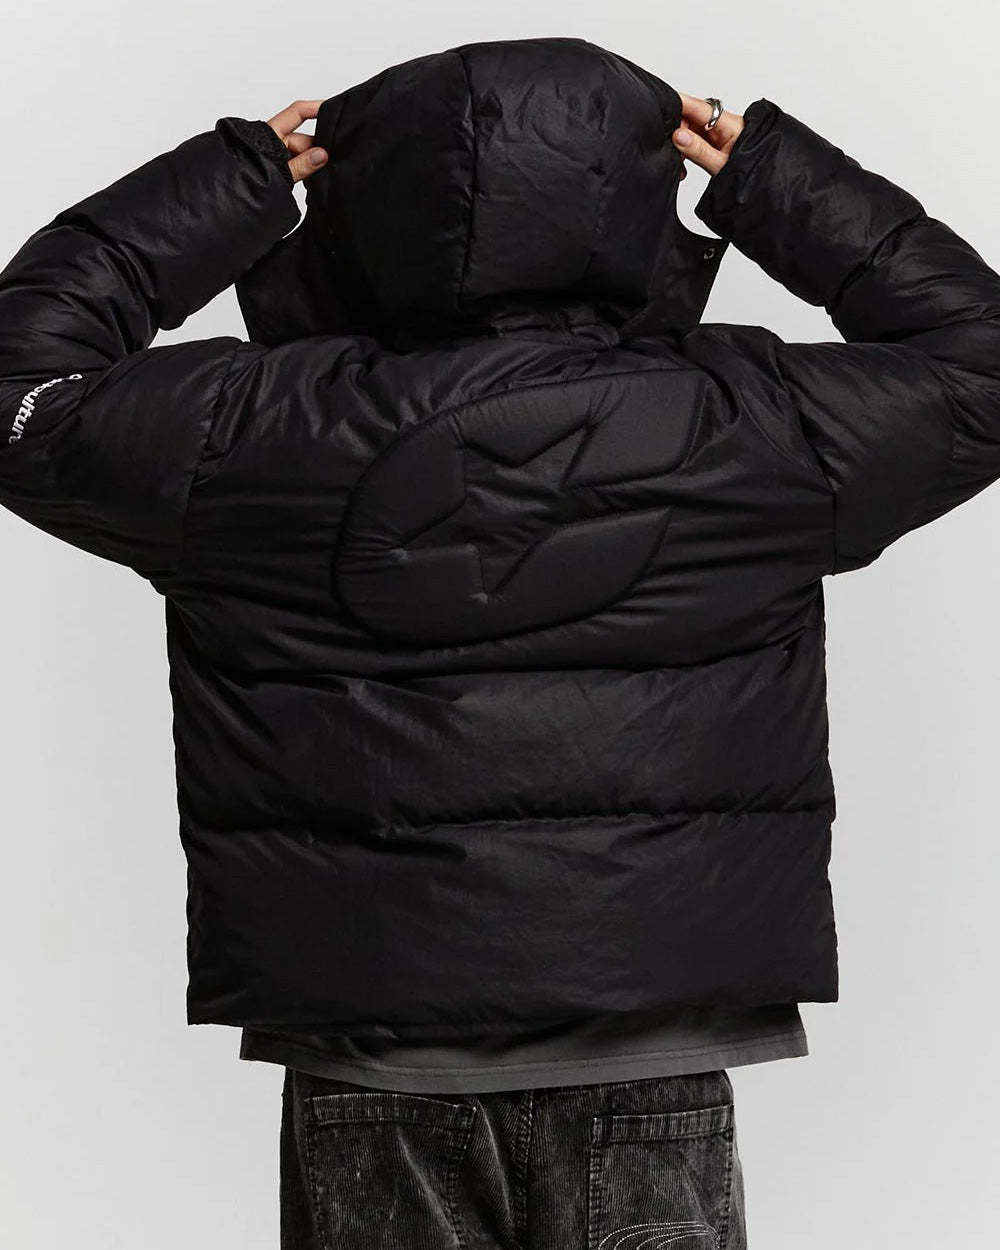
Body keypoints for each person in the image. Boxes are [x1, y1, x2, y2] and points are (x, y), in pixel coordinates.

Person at [2, 34, 999, 1250]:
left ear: (367, 211)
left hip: (372, 1056)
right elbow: (979, 370)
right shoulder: (756, 424)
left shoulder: (246, 433)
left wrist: (227, 185)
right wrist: (773, 177)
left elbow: (19, 393)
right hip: (650, 1049)